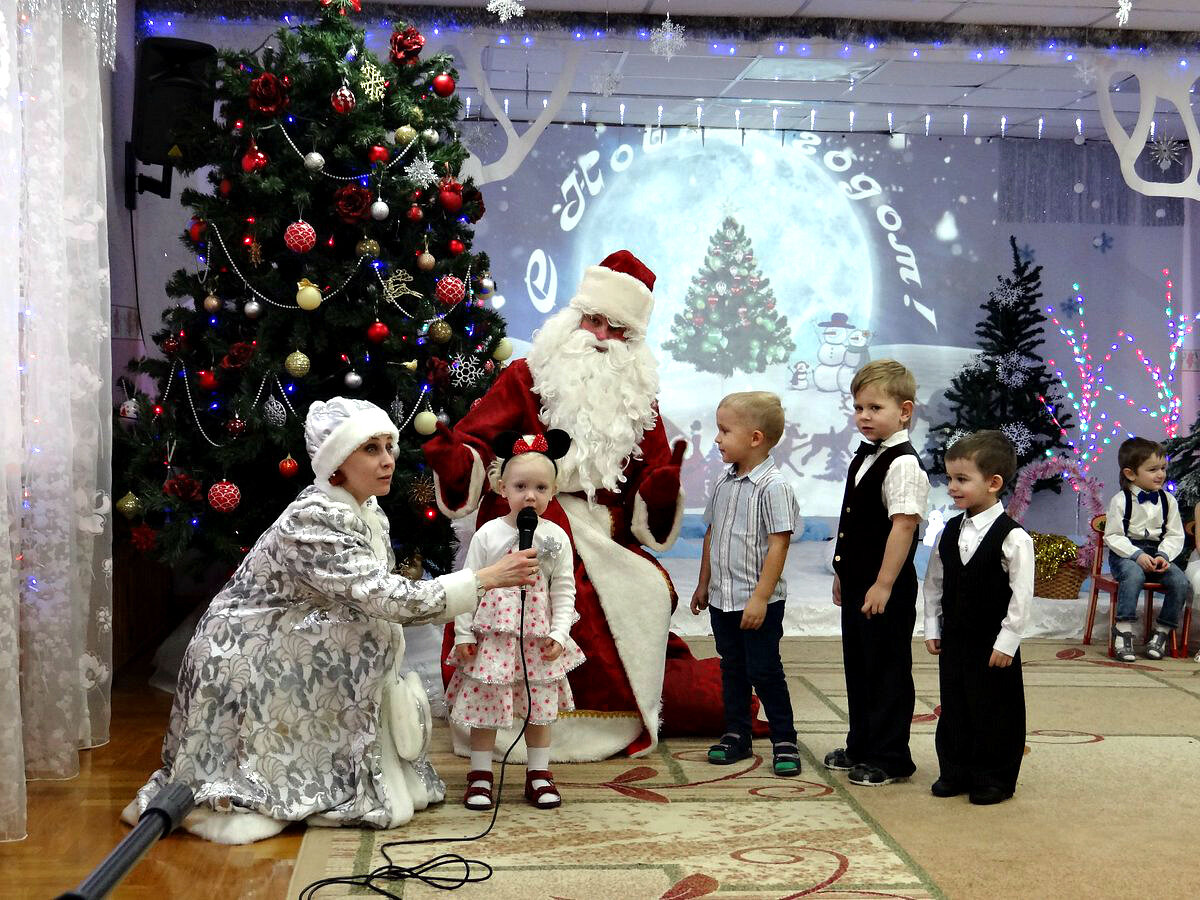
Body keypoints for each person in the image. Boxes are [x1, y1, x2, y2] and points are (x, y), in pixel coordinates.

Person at [122, 398, 539, 844]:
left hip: (291, 637)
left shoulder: (364, 509)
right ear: (337, 462)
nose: (388, 460)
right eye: (371, 450)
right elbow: (386, 598)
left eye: (389, 446)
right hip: (250, 654)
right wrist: (483, 579)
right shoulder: (317, 518)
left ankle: (354, 770)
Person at [424, 250, 731, 762]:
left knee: (648, 591)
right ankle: (501, 723)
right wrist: (458, 460)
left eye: (618, 330)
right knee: (537, 594)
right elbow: (477, 444)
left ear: (633, 342)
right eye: (594, 321)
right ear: (574, 319)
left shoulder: (638, 400)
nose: (601, 338)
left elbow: (651, 481)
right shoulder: (525, 377)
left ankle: (608, 719)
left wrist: (658, 491)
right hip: (522, 519)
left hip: (604, 530)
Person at [447, 429, 584, 811]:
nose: (530, 495)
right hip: (494, 641)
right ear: (502, 487)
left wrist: (559, 631)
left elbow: (563, 589)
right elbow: (467, 586)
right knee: (485, 707)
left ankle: (538, 774)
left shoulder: (555, 537)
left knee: (539, 708)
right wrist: (462, 633)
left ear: (553, 492)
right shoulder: (489, 534)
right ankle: (480, 774)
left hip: (537, 642)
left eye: (541, 487)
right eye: (521, 486)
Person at [826, 359, 929, 787]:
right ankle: (861, 743)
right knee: (860, 664)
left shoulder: (903, 464)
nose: (864, 416)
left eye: (875, 408)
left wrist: (884, 583)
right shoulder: (868, 456)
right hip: (859, 583)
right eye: (859, 407)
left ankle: (890, 756)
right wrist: (841, 572)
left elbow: (903, 525)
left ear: (904, 411)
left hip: (885, 587)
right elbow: (854, 522)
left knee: (886, 669)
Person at [689, 392, 800, 776]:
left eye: (724, 431)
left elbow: (779, 543)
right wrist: (704, 583)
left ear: (755, 438)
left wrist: (760, 598)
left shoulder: (774, 487)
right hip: (723, 598)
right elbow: (711, 533)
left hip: (758, 602)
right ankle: (736, 733)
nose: (717, 440)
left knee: (764, 669)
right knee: (732, 667)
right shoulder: (723, 482)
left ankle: (785, 738)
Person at [923, 431, 1032, 805]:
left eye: (961, 479)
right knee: (955, 703)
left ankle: (994, 776)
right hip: (955, 636)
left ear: (994, 483)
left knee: (994, 708)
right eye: (950, 478)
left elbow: (1021, 596)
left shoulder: (1013, 537)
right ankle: (955, 769)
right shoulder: (949, 531)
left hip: (993, 641)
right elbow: (934, 584)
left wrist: (1008, 641)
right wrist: (933, 627)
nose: (952, 487)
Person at [1103, 436, 1188, 661]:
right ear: (1131, 474)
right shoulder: (1120, 500)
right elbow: (1112, 536)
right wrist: (1136, 554)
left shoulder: (1168, 500)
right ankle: (1123, 630)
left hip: (1158, 553)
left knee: (1180, 581)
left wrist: (1163, 555)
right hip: (1127, 554)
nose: (1161, 474)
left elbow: (1175, 535)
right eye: (1152, 469)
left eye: (1163, 468)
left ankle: (1161, 633)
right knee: (1133, 575)